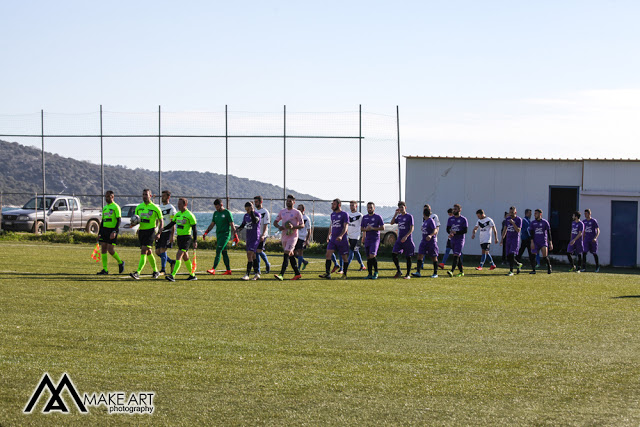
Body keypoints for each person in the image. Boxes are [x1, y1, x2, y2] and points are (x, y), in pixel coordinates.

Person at [130, 189, 164, 280]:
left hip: (150, 231)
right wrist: (134, 224)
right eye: (143, 194)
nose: (144, 196)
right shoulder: (139, 207)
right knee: (148, 251)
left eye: (146, 194)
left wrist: (159, 233)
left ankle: (138, 272)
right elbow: (136, 220)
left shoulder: (155, 208)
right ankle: (156, 271)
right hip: (141, 231)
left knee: (144, 250)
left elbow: (161, 221)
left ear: (151, 196)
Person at [164, 197, 198, 282]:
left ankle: (173, 275)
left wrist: (195, 241)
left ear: (185, 205)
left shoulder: (190, 215)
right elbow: (172, 223)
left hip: (186, 238)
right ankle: (192, 275)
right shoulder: (178, 214)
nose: (178, 206)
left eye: (180, 204)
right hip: (180, 237)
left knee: (179, 255)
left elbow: (194, 229)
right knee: (185, 257)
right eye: (178, 204)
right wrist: (163, 229)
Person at [273, 195, 304, 280]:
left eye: (290, 201)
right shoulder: (282, 211)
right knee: (291, 255)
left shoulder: (297, 212)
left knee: (286, 253)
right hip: (284, 236)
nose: (288, 202)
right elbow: (275, 222)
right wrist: (279, 227)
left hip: (293, 236)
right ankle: (297, 274)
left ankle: (281, 274)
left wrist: (293, 227)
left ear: (294, 202)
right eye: (287, 201)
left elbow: (302, 225)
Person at [204, 199, 237, 275]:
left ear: (221, 205)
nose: (216, 208)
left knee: (218, 250)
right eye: (215, 207)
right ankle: (228, 270)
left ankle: (213, 269)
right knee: (224, 252)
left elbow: (232, 225)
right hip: (218, 235)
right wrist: (206, 232)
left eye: (217, 206)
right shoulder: (215, 213)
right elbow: (212, 224)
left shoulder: (227, 213)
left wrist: (235, 235)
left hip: (225, 235)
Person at [319, 199, 350, 279]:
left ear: (339, 205)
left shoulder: (344, 214)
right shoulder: (332, 214)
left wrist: (341, 236)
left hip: (341, 240)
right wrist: (329, 234)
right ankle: (327, 273)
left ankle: (345, 274)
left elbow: (346, 226)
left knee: (344, 257)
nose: (332, 206)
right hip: (333, 239)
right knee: (328, 254)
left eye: (334, 204)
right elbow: (332, 225)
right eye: (332, 204)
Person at [96, 190, 125, 275]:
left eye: (108, 196)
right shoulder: (105, 208)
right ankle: (105, 270)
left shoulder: (116, 207)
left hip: (112, 230)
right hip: (104, 230)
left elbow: (119, 220)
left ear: (112, 197)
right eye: (106, 196)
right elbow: (103, 221)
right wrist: (99, 233)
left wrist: (114, 231)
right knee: (103, 248)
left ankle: (120, 262)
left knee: (110, 249)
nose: (106, 198)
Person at [236, 201, 261, 281]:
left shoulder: (257, 215)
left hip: (255, 238)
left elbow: (254, 221)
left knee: (249, 254)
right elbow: (243, 224)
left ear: (251, 208)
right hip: (249, 238)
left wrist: (252, 212)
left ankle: (247, 274)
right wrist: (238, 229)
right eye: (246, 210)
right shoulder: (246, 215)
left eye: (248, 209)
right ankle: (257, 273)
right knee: (253, 256)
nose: (247, 211)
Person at [412, 204, 439, 278]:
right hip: (424, 241)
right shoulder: (425, 221)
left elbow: (435, 230)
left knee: (434, 256)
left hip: (431, 242)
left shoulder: (431, 221)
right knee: (420, 255)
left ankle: (435, 273)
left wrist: (430, 235)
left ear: (424, 213)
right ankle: (418, 272)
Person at [391, 201, 415, 279]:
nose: (401, 209)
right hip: (399, 239)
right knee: (394, 254)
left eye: (402, 207)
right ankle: (399, 271)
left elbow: (412, 228)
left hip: (407, 239)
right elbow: (391, 223)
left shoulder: (409, 216)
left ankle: (408, 274)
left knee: (408, 257)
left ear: (405, 207)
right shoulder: (399, 217)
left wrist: (406, 236)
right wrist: (395, 214)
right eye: (399, 207)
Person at [361, 202, 385, 279]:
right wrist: (366, 230)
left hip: (375, 239)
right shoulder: (364, 218)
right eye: (368, 208)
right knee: (368, 257)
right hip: (367, 239)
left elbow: (383, 228)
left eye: (371, 207)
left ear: (374, 208)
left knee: (372, 255)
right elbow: (361, 228)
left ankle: (376, 272)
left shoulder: (378, 217)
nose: (369, 209)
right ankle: (369, 274)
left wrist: (373, 228)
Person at [156, 190, 177, 275]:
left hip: (167, 232)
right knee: (157, 252)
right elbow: (158, 220)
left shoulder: (171, 208)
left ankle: (163, 270)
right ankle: (171, 261)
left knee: (162, 250)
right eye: (162, 196)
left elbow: (173, 223)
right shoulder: (159, 207)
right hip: (160, 232)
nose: (162, 197)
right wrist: (156, 230)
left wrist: (172, 235)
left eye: (164, 196)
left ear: (168, 197)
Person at [528, 209, 553, 274]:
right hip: (535, 242)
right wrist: (532, 242)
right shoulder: (533, 223)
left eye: (536, 213)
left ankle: (549, 267)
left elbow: (549, 233)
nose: (534, 215)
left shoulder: (545, 222)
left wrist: (550, 242)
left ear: (540, 214)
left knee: (545, 256)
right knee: (533, 255)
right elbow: (531, 233)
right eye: (534, 213)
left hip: (543, 242)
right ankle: (533, 270)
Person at [446, 204, 467, 277]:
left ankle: (451, 271)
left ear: (459, 210)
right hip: (453, 239)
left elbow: (465, 230)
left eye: (455, 209)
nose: (454, 210)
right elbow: (448, 229)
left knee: (456, 255)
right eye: (453, 209)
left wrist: (456, 232)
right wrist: (450, 233)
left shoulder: (463, 219)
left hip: (460, 239)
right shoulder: (450, 219)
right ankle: (461, 272)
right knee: (457, 255)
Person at [501, 206, 523, 276]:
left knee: (512, 254)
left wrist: (513, 223)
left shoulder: (519, 219)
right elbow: (505, 229)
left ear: (515, 212)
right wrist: (502, 239)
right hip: (508, 239)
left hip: (515, 239)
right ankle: (518, 264)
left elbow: (518, 230)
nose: (511, 214)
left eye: (512, 212)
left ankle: (511, 271)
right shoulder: (507, 219)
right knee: (508, 256)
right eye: (510, 212)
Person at [345, 201, 366, 272]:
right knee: (356, 251)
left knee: (351, 251)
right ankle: (362, 265)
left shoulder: (360, 215)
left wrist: (363, 236)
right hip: (350, 236)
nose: (351, 207)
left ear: (356, 206)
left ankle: (346, 267)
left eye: (353, 205)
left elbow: (363, 227)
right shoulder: (348, 214)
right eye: (350, 205)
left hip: (356, 236)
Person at [254, 196, 272, 274]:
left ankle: (258, 270)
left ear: (261, 202)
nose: (255, 203)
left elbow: (265, 224)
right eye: (255, 202)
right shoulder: (254, 212)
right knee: (257, 252)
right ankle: (267, 264)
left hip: (262, 235)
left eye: (257, 202)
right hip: (255, 235)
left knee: (258, 251)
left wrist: (263, 235)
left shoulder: (265, 212)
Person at [295, 204, 311, 271]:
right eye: (297, 209)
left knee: (300, 252)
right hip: (295, 237)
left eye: (300, 209)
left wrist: (307, 240)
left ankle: (298, 268)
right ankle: (304, 261)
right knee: (293, 253)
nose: (298, 211)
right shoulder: (296, 217)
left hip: (302, 238)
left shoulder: (306, 218)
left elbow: (309, 230)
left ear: (303, 210)